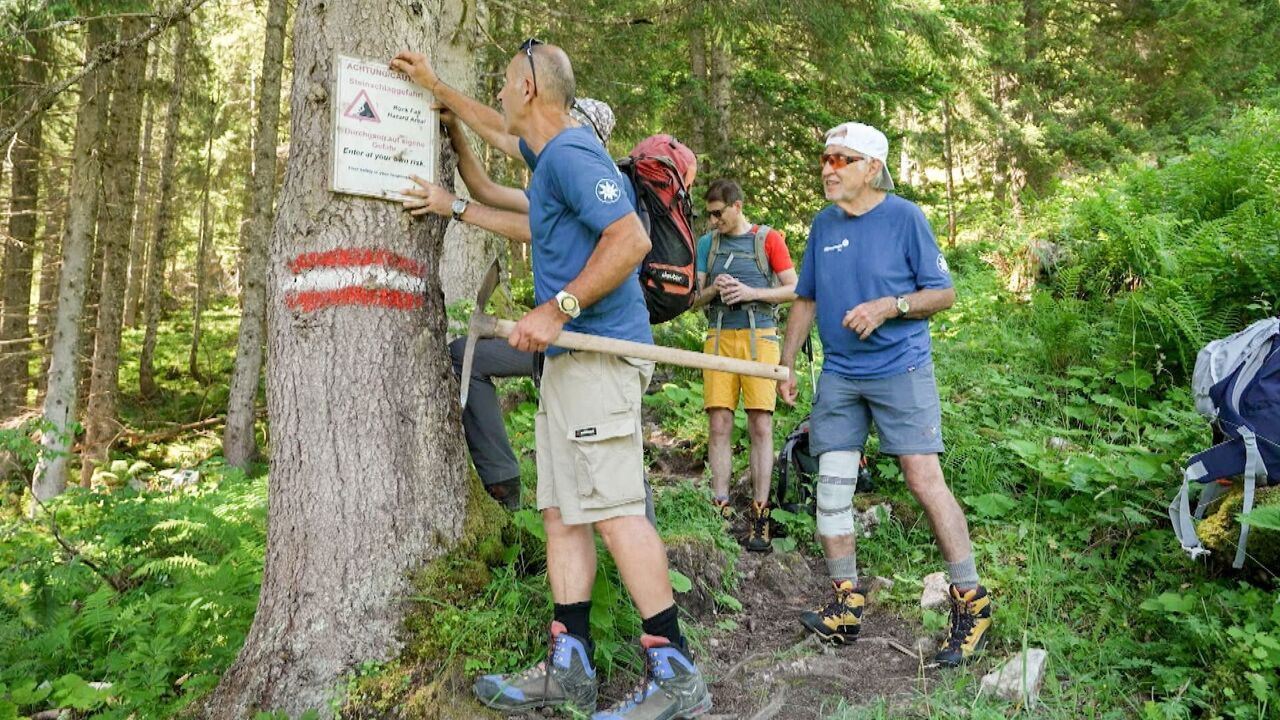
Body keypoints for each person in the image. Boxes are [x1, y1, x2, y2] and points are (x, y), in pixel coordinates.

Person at [395, 43, 711, 718]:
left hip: (599, 353)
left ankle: (677, 674)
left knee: (619, 512)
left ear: (530, 85)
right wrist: (439, 91)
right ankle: (571, 666)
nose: (503, 94)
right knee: (563, 512)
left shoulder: (571, 154)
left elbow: (629, 241)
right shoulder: (547, 155)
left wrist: (557, 307)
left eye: (508, 84)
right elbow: (497, 140)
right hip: (569, 364)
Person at [778, 122, 992, 667]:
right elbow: (804, 298)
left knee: (923, 481)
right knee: (830, 488)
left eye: (841, 160)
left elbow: (943, 293)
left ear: (871, 168)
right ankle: (846, 601)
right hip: (841, 376)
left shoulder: (905, 217)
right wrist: (786, 365)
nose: (828, 168)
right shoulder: (822, 225)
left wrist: (888, 306)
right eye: (825, 158)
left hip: (901, 369)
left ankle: (971, 600)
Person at [404, 99, 616, 509]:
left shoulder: (586, 180)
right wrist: (458, 136)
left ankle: (630, 542)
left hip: (587, 340)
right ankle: (505, 490)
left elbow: (526, 231)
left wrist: (455, 207)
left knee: (605, 458)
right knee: (466, 354)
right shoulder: (556, 184)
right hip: (555, 339)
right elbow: (486, 189)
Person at [691, 178, 796, 552]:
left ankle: (759, 514)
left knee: (760, 422)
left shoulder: (769, 239)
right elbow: (693, 300)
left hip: (760, 338)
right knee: (719, 421)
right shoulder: (707, 244)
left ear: (737, 206)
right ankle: (719, 508)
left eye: (718, 213)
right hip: (718, 337)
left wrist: (751, 292)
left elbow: (794, 288)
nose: (713, 220)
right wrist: (714, 290)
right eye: (709, 214)